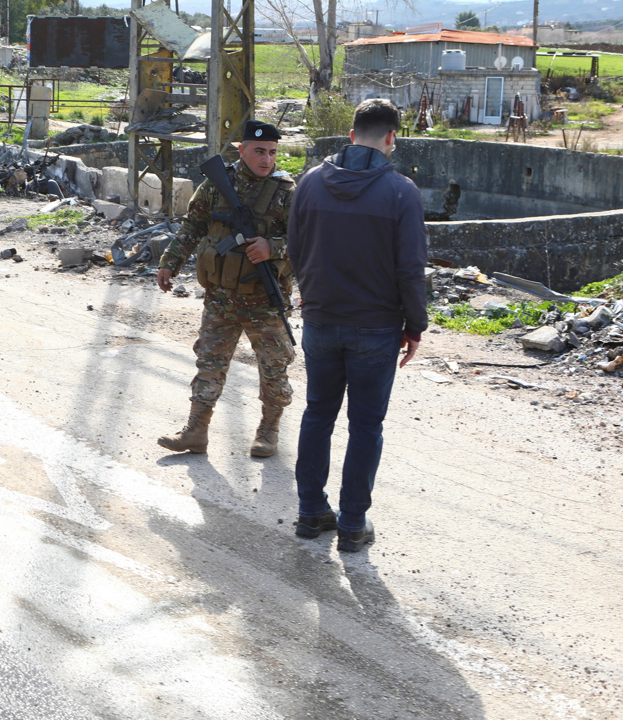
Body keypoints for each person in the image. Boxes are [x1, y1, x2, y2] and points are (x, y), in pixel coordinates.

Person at [288, 98, 427, 552]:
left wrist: (312, 296)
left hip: (321, 321)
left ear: (351, 135)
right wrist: (415, 325)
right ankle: (351, 524)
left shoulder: (309, 183)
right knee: (366, 426)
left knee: (317, 414)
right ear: (392, 138)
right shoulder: (401, 192)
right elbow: (409, 269)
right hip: (375, 328)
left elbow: (295, 248)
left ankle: (310, 513)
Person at [156, 120, 295, 458]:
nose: (266, 159)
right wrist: (169, 262)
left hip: (265, 300)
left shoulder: (287, 191)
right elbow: (194, 225)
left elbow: (309, 241)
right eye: (259, 151)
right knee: (209, 363)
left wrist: (272, 247)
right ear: (241, 150)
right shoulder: (218, 184)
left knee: (274, 368)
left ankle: (268, 431)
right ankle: (195, 431)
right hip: (221, 298)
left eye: (272, 152)